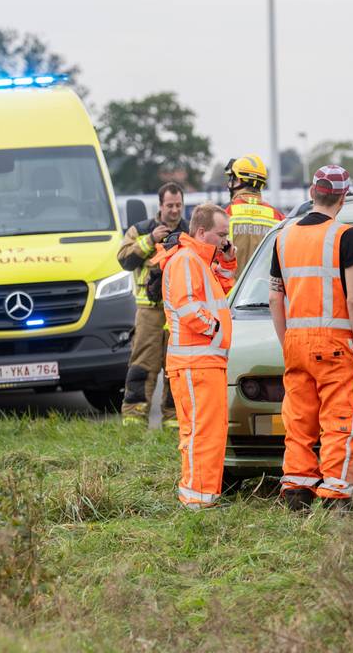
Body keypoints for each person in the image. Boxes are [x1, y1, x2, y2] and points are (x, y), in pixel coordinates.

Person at [269, 165, 353, 513]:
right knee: (339, 421)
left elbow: (275, 298)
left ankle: (297, 490)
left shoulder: (283, 237)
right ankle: (336, 496)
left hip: (295, 341)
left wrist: (287, 341)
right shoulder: (347, 236)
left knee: (298, 421)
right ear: (343, 197)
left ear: (312, 193)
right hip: (337, 344)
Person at [160, 203, 237, 509]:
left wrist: (227, 262)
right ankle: (197, 498)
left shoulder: (200, 261)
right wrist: (216, 330)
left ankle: (205, 496)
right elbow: (189, 307)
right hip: (195, 362)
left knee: (210, 432)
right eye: (221, 234)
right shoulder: (186, 260)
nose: (225, 240)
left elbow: (220, 292)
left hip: (204, 362)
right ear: (202, 232)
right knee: (201, 433)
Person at [117, 182, 188, 428]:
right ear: (160, 206)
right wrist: (150, 240)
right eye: (170, 205)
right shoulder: (141, 230)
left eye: (178, 205)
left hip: (179, 312)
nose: (175, 210)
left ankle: (173, 419)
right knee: (142, 365)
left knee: (176, 368)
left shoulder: (190, 232)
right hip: (149, 312)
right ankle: (134, 418)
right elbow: (124, 260)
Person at [223, 155, 284, 271]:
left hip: (231, 283)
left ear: (239, 180)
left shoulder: (223, 213)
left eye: (232, 178)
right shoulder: (279, 217)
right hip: (264, 283)